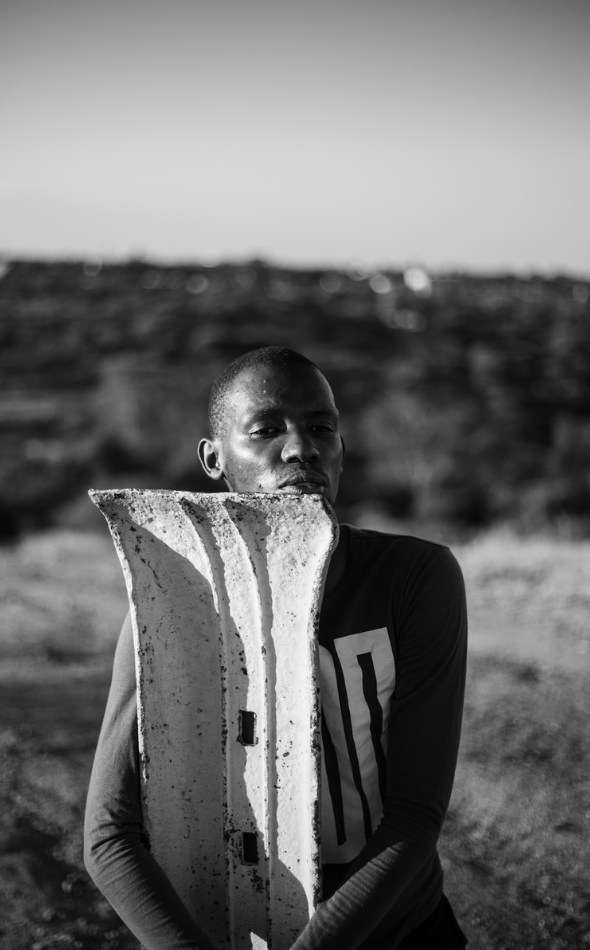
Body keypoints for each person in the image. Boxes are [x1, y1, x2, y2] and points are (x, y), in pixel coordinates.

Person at [83, 346, 469, 949]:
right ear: (214, 459)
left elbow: (416, 816)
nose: (301, 448)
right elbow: (109, 837)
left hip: (403, 931)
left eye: (322, 427)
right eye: (265, 430)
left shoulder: (414, 579)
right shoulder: (166, 613)